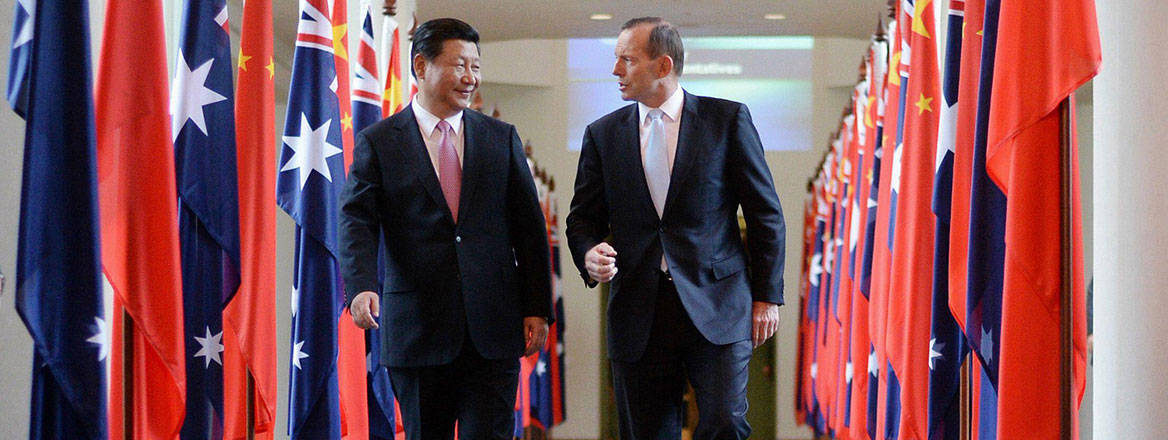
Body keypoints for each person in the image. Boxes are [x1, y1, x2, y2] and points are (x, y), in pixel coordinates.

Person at [566, 17, 786, 439]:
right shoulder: (602, 134)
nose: (615, 71)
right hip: (638, 309)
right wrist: (589, 252)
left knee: (724, 422)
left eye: (626, 60)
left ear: (663, 66)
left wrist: (767, 298)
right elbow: (582, 219)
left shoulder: (728, 121)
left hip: (719, 302)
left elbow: (765, 215)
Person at [339, 17, 552, 440]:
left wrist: (537, 306)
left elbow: (529, 229)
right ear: (421, 66)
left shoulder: (500, 137)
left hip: (492, 330)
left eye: (475, 66)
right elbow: (357, 220)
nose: (470, 77)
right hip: (417, 331)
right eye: (459, 65)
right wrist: (362, 284)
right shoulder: (380, 141)